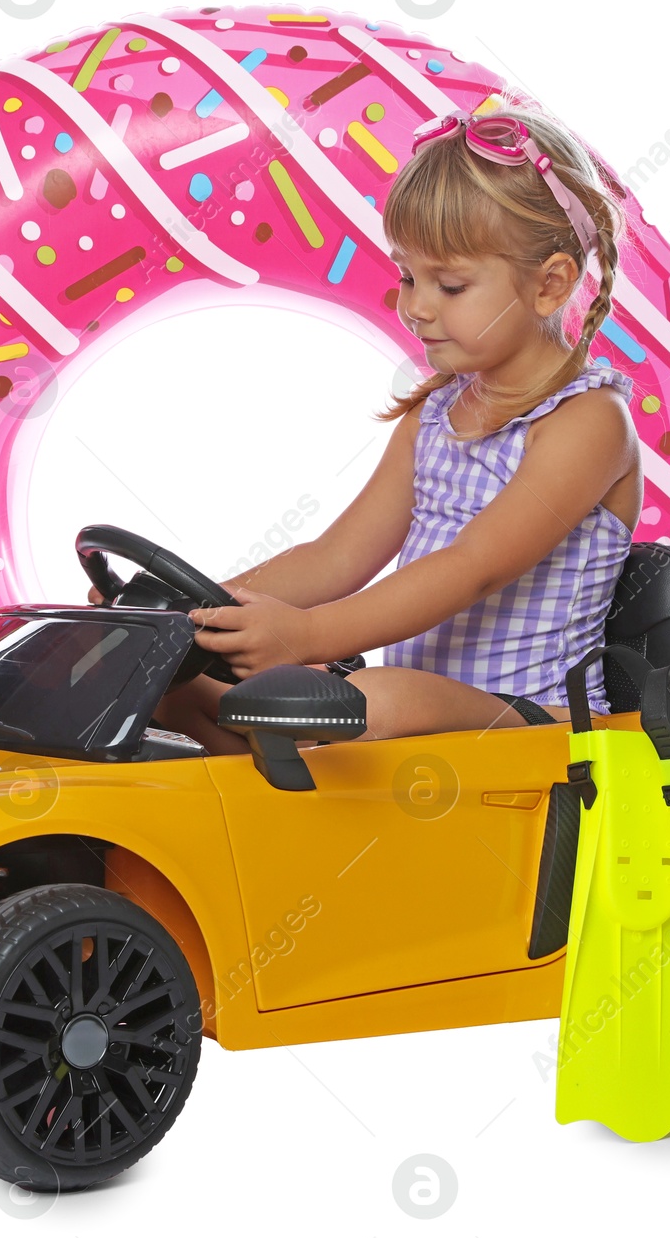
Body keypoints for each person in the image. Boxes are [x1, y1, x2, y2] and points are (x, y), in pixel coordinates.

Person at [133, 102, 640, 755]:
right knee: (177, 682)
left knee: (376, 698)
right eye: (407, 275)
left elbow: (472, 569)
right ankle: (276, 826)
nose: (416, 306)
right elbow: (336, 557)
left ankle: (304, 760)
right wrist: (192, 613)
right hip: (420, 709)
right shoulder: (434, 418)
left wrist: (308, 637)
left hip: (539, 727)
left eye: (450, 285)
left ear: (549, 287)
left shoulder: (587, 423)